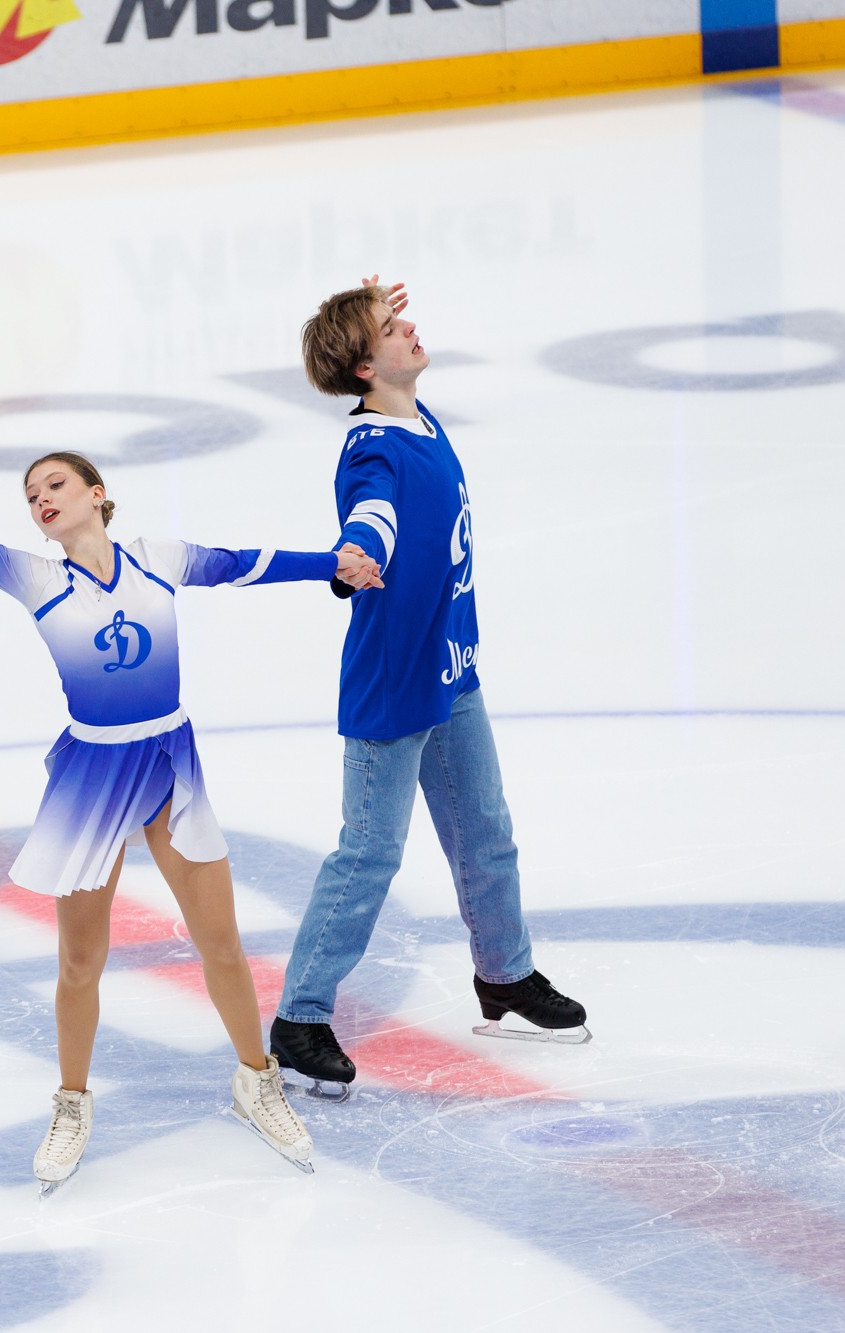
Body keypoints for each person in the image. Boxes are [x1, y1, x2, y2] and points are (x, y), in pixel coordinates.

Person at [0, 385, 381, 1190]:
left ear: (96, 493)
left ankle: (254, 1079)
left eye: (54, 484)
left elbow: (243, 564)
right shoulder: (31, 577)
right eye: (31, 496)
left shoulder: (158, 558)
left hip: (169, 763)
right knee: (80, 960)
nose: (41, 499)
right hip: (91, 777)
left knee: (221, 941)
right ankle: (71, 1103)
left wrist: (330, 564)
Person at [268, 280, 591, 1101]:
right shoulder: (372, 450)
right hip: (393, 684)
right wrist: (356, 552)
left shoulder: (418, 418)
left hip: (450, 667)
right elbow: (371, 511)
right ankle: (299, 1016)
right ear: (363, 366)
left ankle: (504, 974)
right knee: (368, 854)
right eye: (390, 327)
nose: (409, 327)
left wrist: (363, 305)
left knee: (485, 829)